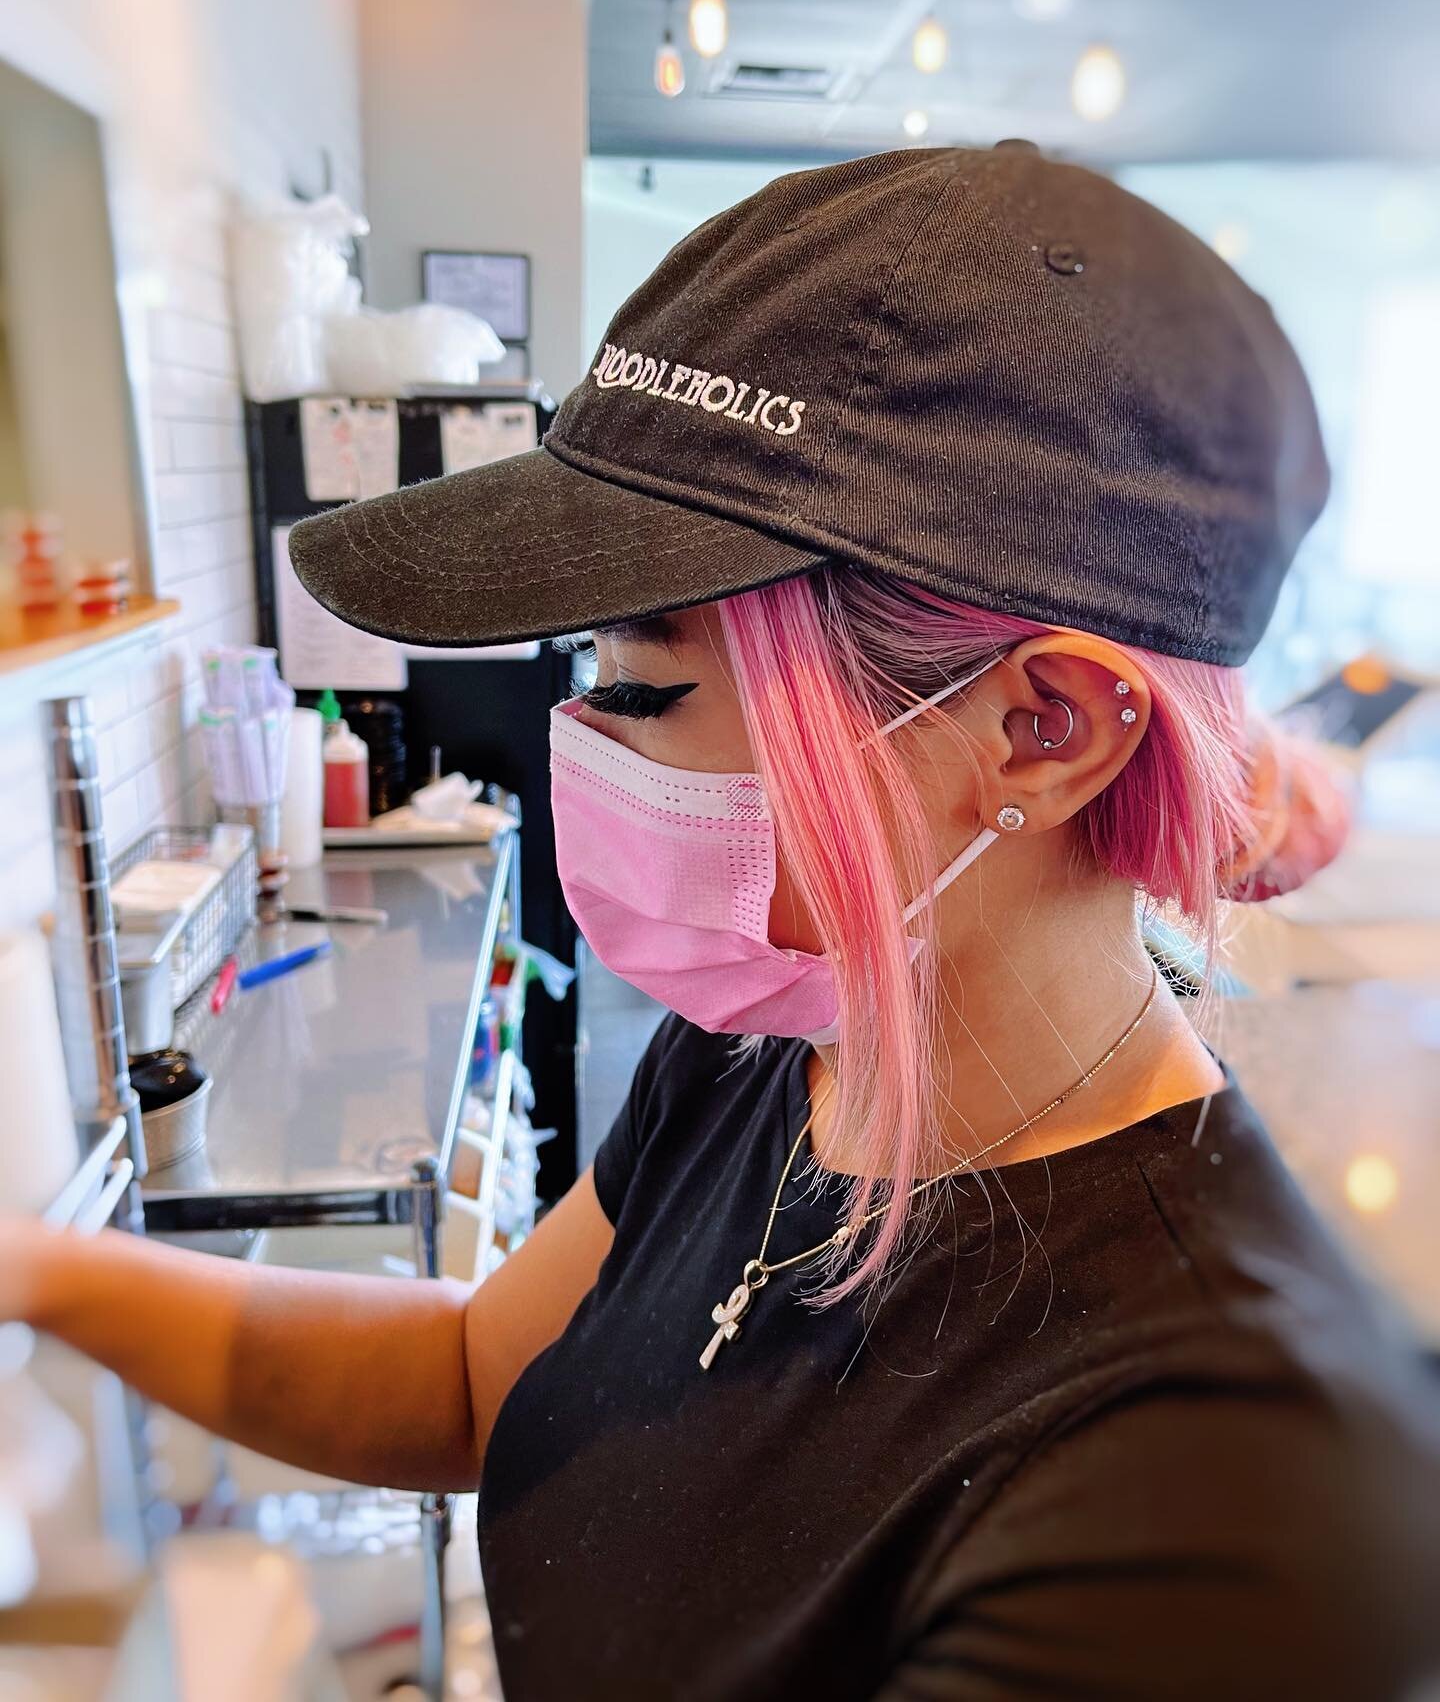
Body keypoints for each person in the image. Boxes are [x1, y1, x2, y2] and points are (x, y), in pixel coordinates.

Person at [6, 145, 1440, 1700]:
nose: (581, 745)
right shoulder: (777, 1053)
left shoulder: (1224, 1507)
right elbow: (478, 1380)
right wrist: (42, 1272)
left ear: (1043, 730)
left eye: (641, 689)